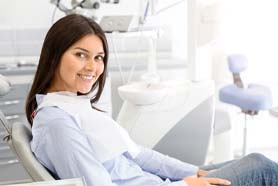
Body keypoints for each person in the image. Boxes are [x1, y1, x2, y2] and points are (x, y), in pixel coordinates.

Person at [26, 14, 278, 186]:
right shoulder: (56, 122)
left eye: (99, 57)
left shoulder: (72, 106)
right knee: (262, 166)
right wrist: (184, 184)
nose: (93, 67)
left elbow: (137, 156)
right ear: (55, 55)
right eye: (81, 55)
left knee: (251, 161)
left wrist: (191, 172)